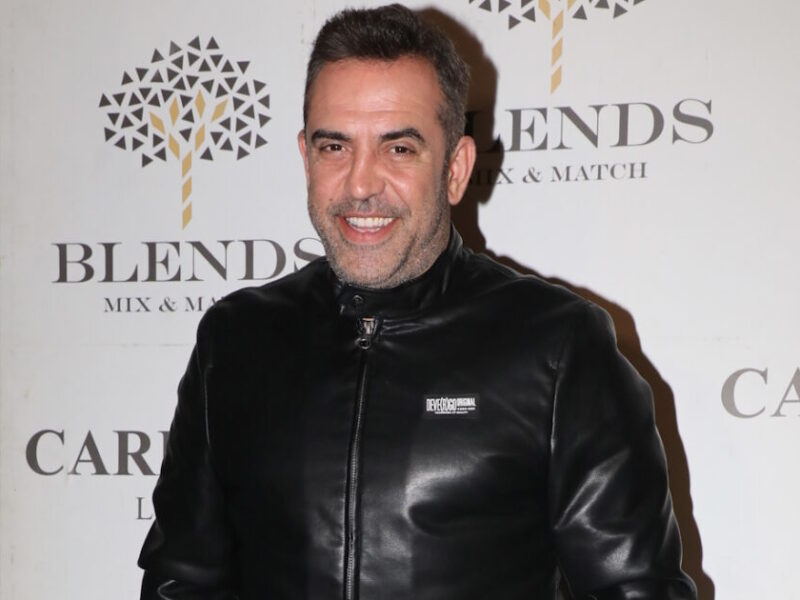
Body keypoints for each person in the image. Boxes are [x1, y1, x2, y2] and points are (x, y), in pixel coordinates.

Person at [138, 4, 697, 599]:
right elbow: (180, 584)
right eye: (335, 147)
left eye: (399, 149)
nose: (360, 184)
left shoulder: (557, 348)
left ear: (455, 169)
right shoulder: (236, 341)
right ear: (305, 157)